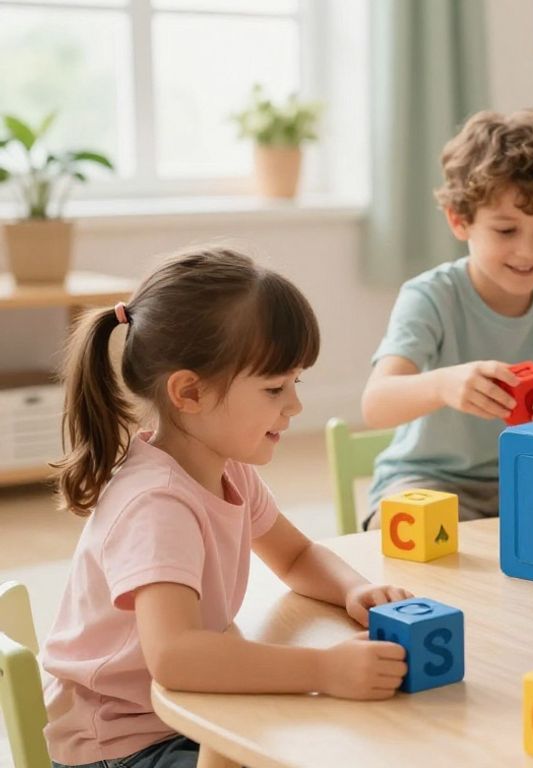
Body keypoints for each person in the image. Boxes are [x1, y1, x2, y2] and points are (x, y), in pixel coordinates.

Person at [43, 248, 413, 768]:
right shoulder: (155, 504)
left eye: (296, 382)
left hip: (185, 710)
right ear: (189, 392)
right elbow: (174, 658)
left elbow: (295, 555)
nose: (295, 405)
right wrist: (324, 670)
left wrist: (354, 588)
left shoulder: (226, 468)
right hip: (125, 743)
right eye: (274, 387)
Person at [361, 109, 533, 528]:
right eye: (506, 230)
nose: (528, 252)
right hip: (429, 479)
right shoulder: (430, 297)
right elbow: (376, 405)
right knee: (423, 547)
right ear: (460, 221)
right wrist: (443, 384)